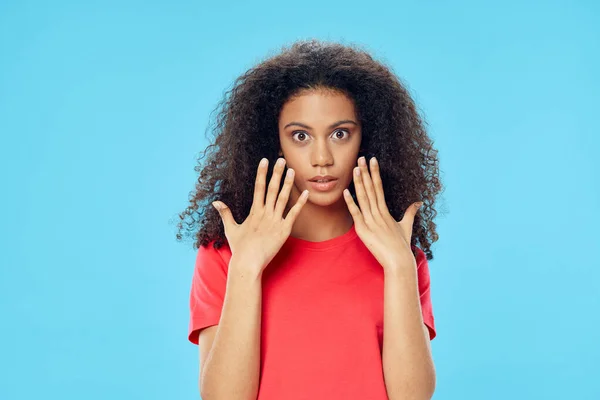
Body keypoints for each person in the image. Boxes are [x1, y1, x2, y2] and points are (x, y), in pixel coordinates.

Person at [176, 39, 443, 400]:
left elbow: (412, 397)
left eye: (340, 134)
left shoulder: (399, 255)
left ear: (367, 138)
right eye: (300, 136)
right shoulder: (226, 254)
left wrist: (398, 266)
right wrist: (247, 267)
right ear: (274, 143)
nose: (322, 157)